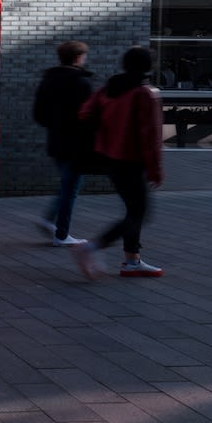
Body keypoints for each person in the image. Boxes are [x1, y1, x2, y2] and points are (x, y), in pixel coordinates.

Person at [70, 46, 164, 280]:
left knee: (134, 210)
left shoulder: (108, 89)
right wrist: (155, 169)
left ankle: (132, 261)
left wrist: (106, 129)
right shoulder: (145, 93)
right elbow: (149, 135)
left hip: (109, 158)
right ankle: (90, 248)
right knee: (139, 213)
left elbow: (84, 114)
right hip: (132, 160)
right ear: (148, 66)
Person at [32, 40, 94, 245]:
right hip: (76, 143)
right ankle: (61, 234)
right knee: (71, 188)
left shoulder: (48, 80)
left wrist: (56, 125)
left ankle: (49, 220)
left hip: (56, 139)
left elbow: (38, 114)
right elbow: (90, 116)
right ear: (78, 58)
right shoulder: (82, 83)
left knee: (68, 184)